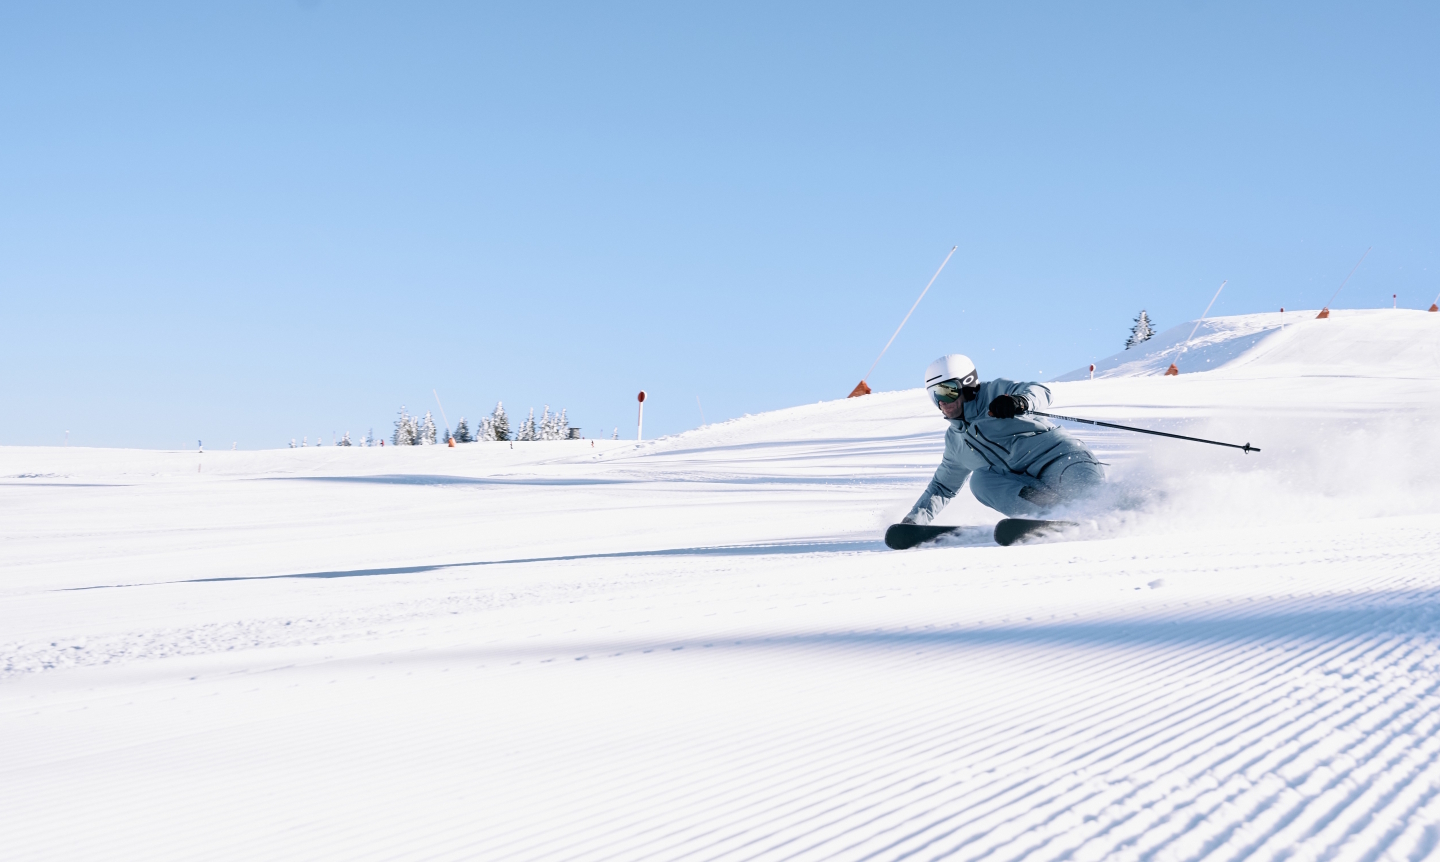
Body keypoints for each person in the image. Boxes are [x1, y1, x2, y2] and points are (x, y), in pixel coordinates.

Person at [903, 354, 1103, 524]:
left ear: (967, 385)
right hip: (1030, 488)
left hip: (1063, 460)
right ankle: (1053, 516)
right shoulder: (956, 441)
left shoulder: (995, 392)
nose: (941, 402)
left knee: (1093, 501)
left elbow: (1042, 392)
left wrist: (1019, 401)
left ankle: (1122, 511)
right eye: (934, 394)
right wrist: (913, 522)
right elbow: (942, 487)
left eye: (948, 391)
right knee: (980, 481)